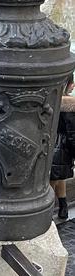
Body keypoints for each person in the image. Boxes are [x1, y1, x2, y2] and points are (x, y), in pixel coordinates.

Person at [50, 73, 75, 220]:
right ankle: (58, 210)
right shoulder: (70, 106)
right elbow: (72, 133)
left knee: (57, 177)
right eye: (72, 83)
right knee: (55, 179)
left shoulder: (50, 101)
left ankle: (61, 208)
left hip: (50, 145)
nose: (74, 86)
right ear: (67, 84)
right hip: (62, 148)